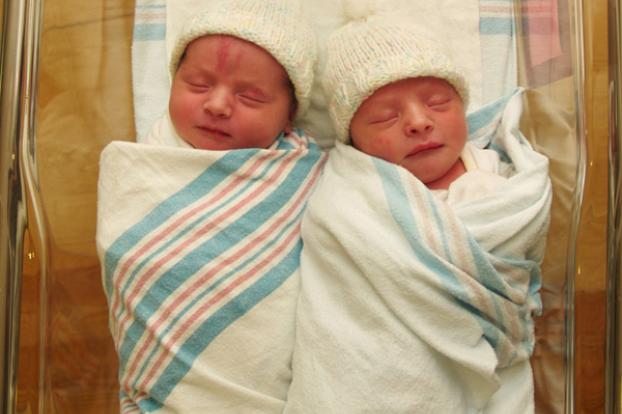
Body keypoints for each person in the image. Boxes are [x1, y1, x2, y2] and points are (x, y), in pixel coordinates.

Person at [284, 10, 552, 414]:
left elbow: (516, 253)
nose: (418, 122)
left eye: (438, 103)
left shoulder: (505, 182)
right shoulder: (349, 196)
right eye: (385, 116)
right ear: (353, 139)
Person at [96, 0, 326, 412]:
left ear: (289, 113)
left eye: (251, 96)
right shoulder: (144, 166)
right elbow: (128, 255)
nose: (218, 105)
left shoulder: (303, 174)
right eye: (199, 85)